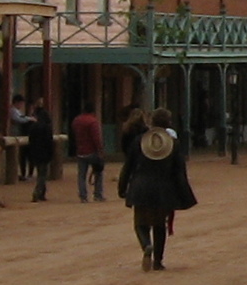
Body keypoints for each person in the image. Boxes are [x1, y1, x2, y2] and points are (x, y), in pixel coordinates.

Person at [120, 108, 198, 272]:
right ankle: (158, 261)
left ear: (152, 122)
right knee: (159, 225)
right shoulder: (173, 144)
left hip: (140, 187)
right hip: (164, 190)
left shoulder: (139, 141)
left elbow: (128, 167)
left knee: (140, 224)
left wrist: (122, 187)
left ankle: (146, 245)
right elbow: (179, 172)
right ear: (168, 124)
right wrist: (183, 194)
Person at [22, 103, 57, 202]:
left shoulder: (33, 127)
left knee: (41, 173)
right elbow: (49, 142)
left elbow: (30, 140)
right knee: (42, 175)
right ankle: (37, 192)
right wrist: (51, 153)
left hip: (35, 153)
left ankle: (42, 193)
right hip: (44, 153)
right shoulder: (47, 127)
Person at [74, 108, 108, 203]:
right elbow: (96, 138)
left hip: (81, 151)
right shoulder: (93, 122)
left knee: (81, 175)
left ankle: (83, 196)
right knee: (98, 172)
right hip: (92, 152)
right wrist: (100, 150)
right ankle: (98, 194)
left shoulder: (76, 121)